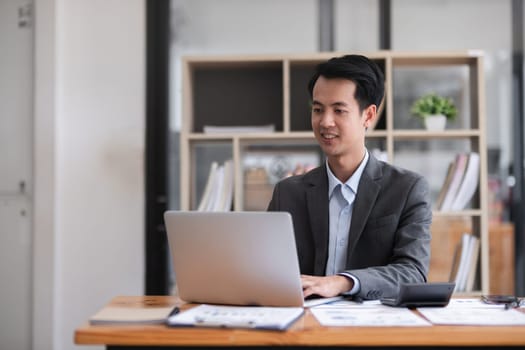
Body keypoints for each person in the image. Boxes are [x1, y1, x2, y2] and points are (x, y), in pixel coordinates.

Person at [267, 54, 432, 300]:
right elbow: (265, 268)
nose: (325, 122)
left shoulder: (407, 189)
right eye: (317, 109)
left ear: (368, 115)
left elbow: (413, 272)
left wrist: (342, 282)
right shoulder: (288, 193)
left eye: (339, 110)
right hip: (304, 326)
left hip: (372, 330)